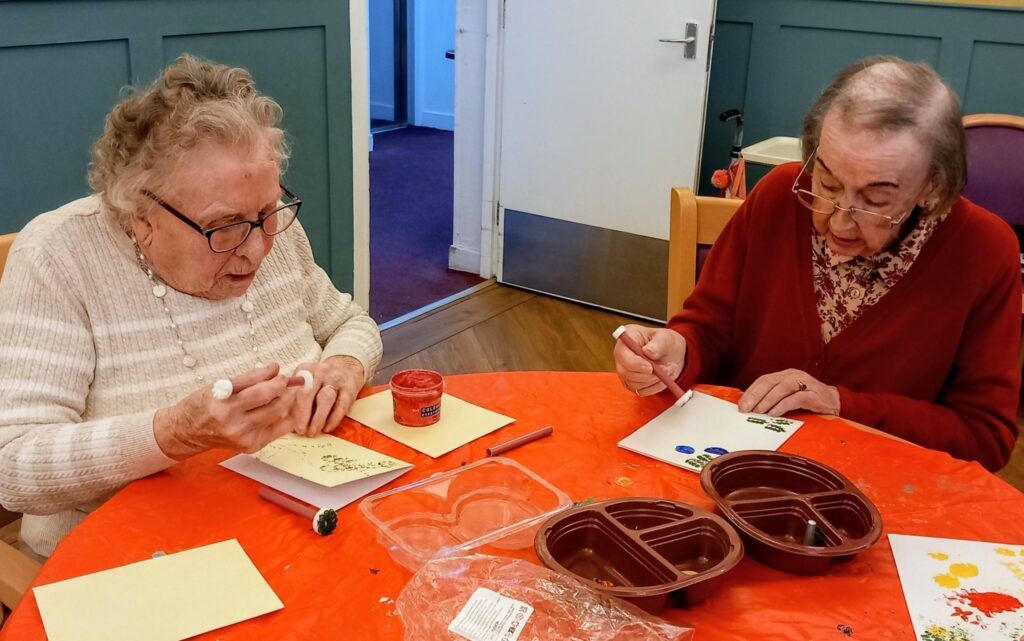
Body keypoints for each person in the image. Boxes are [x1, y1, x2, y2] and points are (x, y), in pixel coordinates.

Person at [0, 55, 382, 556]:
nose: (256, 248)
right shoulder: (59, 257)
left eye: (267, 211)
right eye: (223, 226)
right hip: (132, 560)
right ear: (141, 217)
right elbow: (13, 466)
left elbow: (349, 321)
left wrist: (345, 365)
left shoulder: (269, 229)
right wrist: (173, 434)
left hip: (296, 521)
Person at [615, 56, 1020, 472]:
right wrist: (678, 350)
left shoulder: (983, 251)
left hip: (880, 488)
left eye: (876, 201)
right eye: (826, 182)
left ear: (932, 186)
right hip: (734, 470)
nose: (840, 221)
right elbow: (708, 330)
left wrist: (840, 403)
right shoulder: (778, 195)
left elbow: (984, 437)